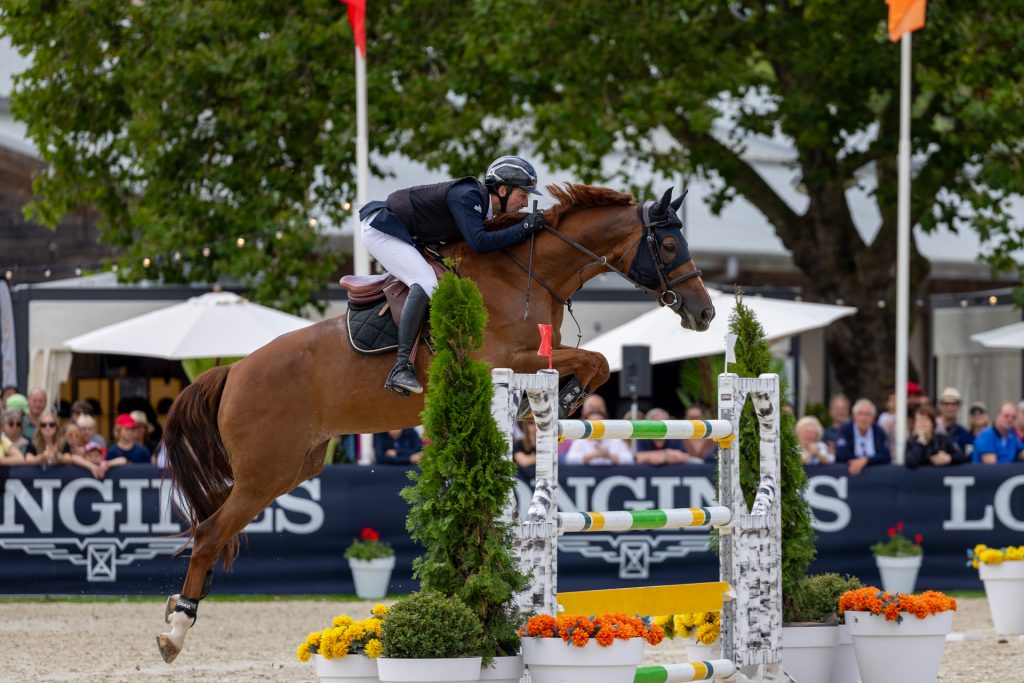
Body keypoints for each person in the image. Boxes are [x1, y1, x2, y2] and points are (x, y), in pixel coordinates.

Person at [359, 155, 546, 396]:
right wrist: (524, 228)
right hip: (381, 228)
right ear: (502, 190)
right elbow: (479, 243)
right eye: (524, 195)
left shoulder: (482, 209)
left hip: (405, 233)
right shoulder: (468, 196)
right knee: (426, 282)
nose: (524, 203)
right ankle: (401, 368)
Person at [563, 397, 634, 466]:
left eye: (599, 425)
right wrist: (593, 455)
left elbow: (630, 459)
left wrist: (609, 456)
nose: (596, 429)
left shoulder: (615, 440)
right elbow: (569, 459)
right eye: (593, 425)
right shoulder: (580, 441)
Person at [835, 398, 891, 476]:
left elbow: (886, 455)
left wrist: (866, 460)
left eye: (868, 414)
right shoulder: (844, 430)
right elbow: (841, 454)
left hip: (876, 475)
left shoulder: (879, 431)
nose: (864, 418)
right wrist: (859, 462)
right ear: (854, 416)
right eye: (860, 414)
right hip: (849, 474)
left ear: (873, 418)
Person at [905, 405, 968, 469]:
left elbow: (962, 456)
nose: (922, 423)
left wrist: (949, 458)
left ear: (933, 423)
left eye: (926, 419)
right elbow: (911, 462)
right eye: (919, 420)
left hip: (939, 476)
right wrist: (921, 441)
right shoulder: (911, 442)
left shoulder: (942, 439)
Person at [934, 387, 973, 454]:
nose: (950, 407)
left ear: (959, 406)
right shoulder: (932, 430)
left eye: (954, 404)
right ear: (940, 406)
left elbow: (968, 456)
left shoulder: (964, 434)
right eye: (946, 404)